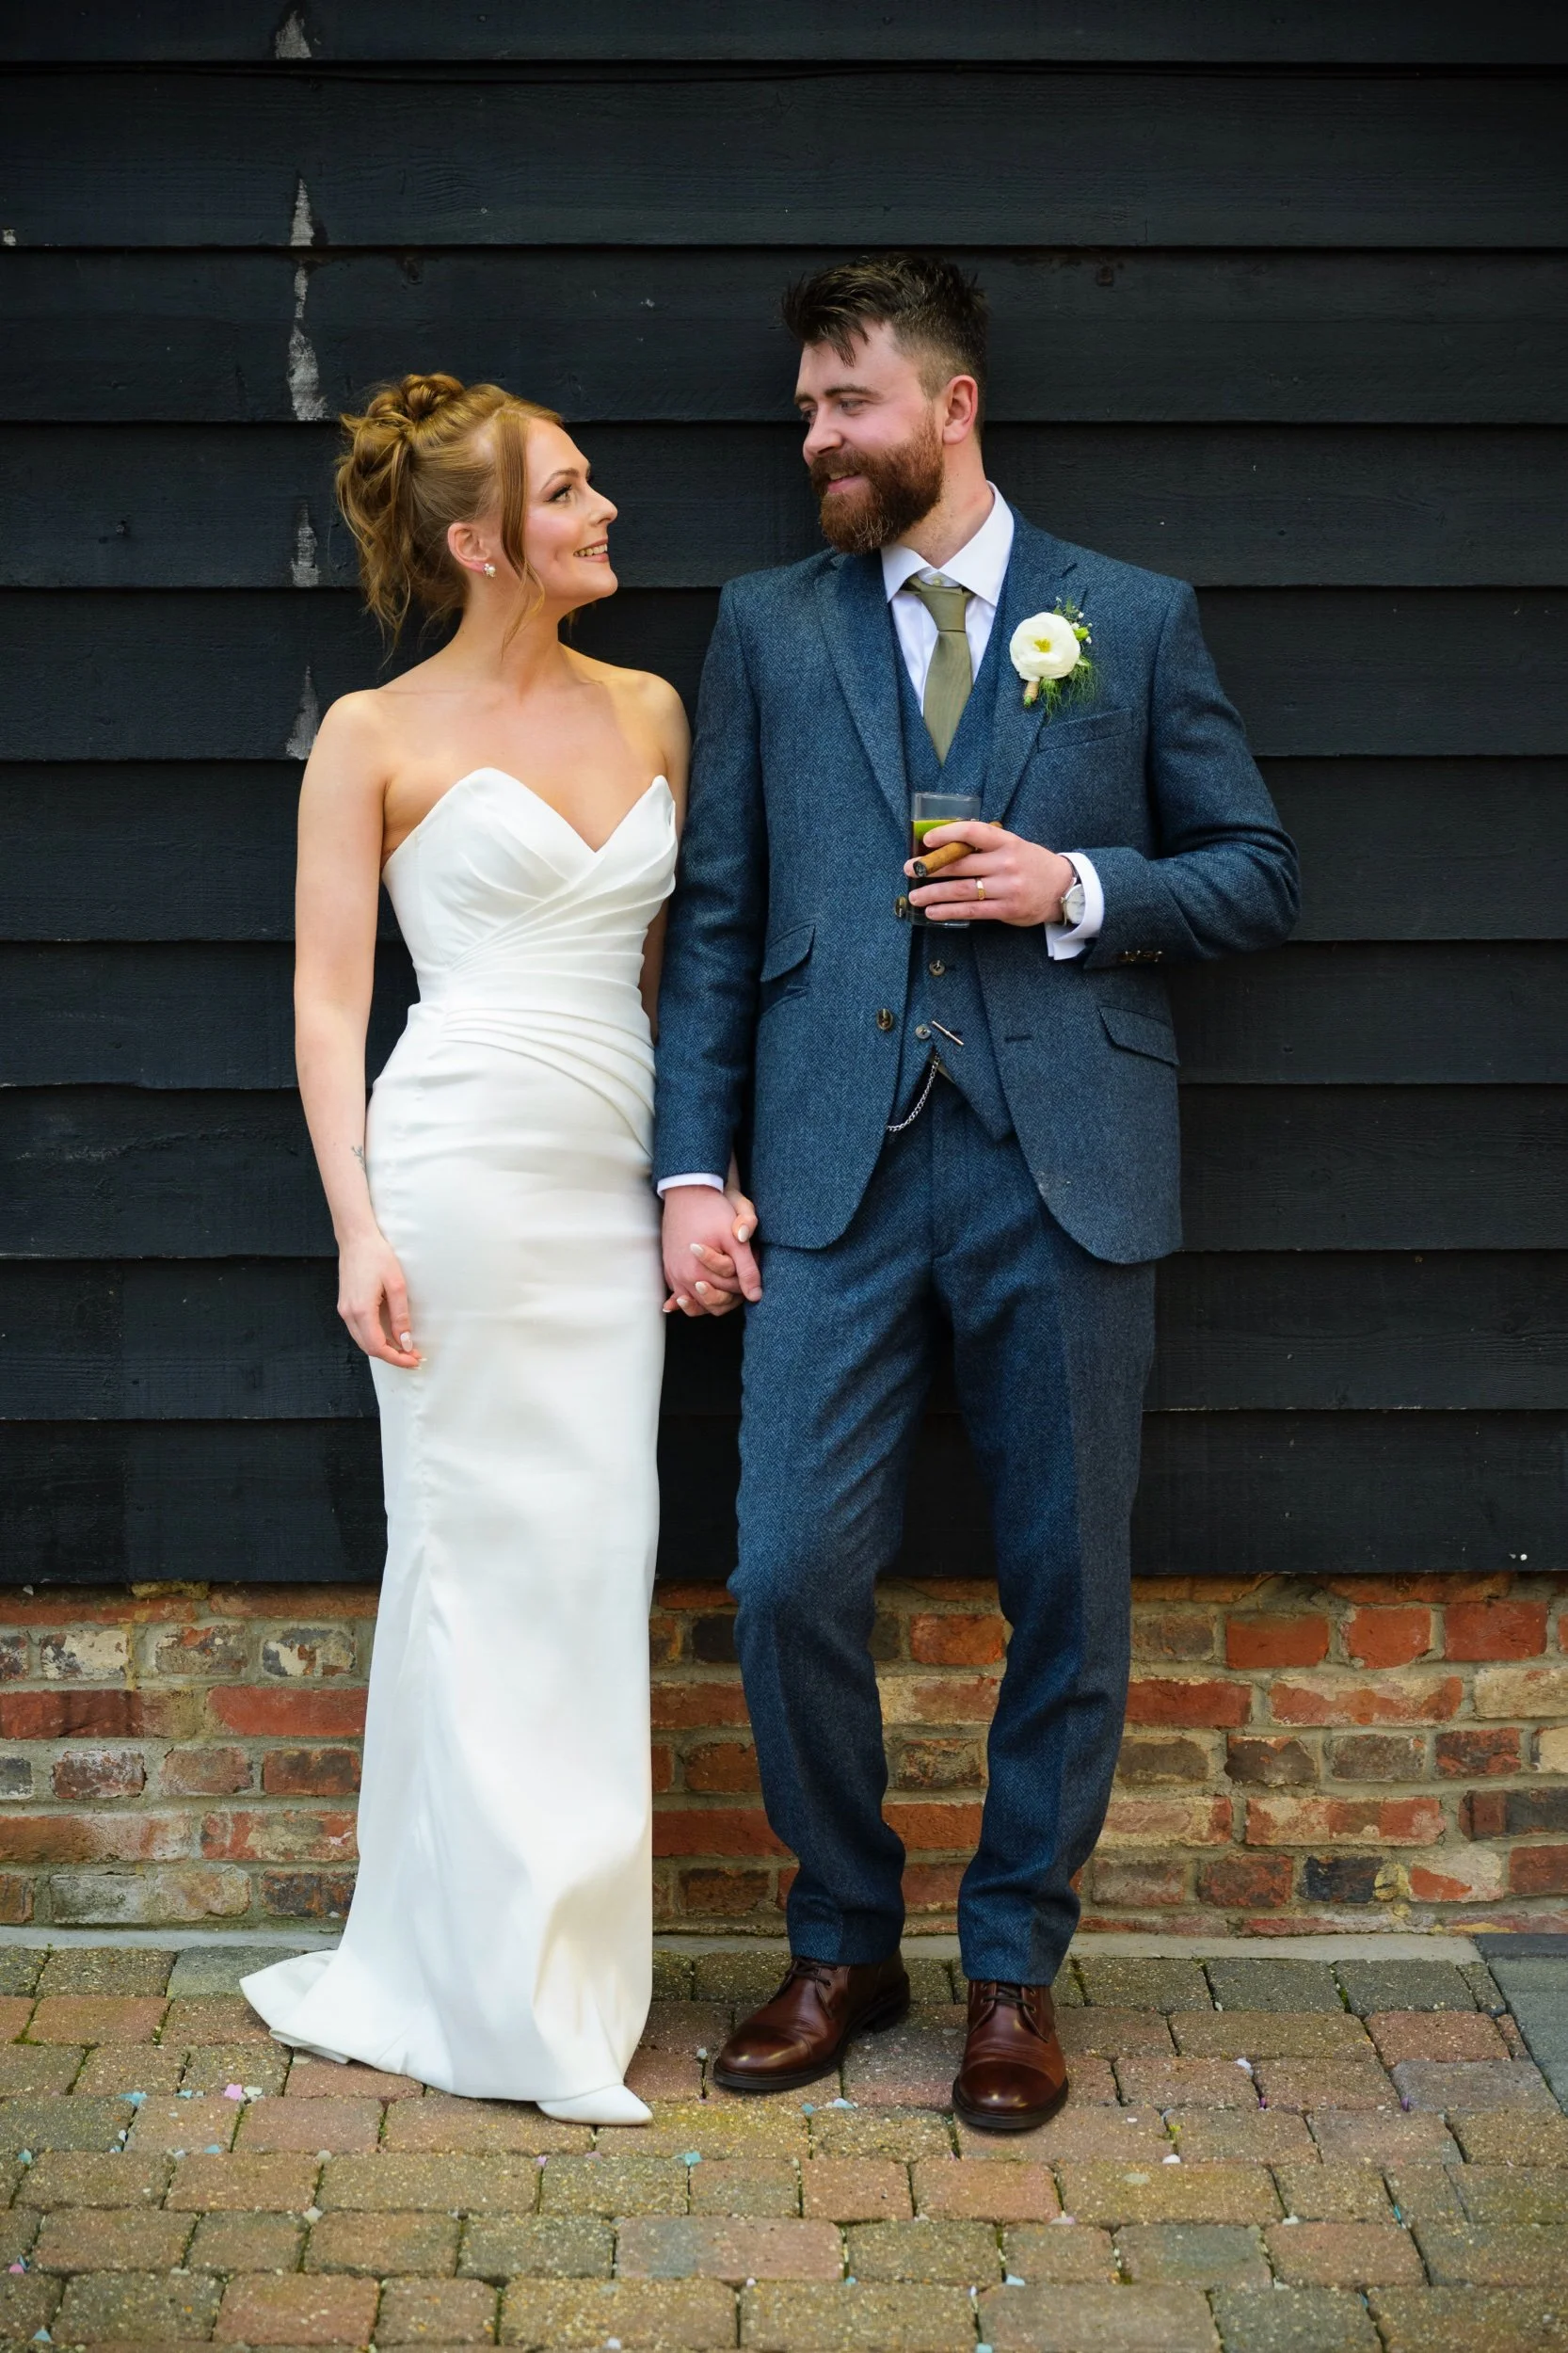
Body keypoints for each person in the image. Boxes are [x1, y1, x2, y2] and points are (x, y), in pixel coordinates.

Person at [654, 255, 1299, 2130]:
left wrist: (1076, 891)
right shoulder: (769, 627)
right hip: (826, 1178)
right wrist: (692, 1168)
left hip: (1063, 1171)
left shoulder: (1126, 615)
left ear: (947, 406)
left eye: (840, 402)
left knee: (1062, 1590)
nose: (810, 438)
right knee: (784, 1568)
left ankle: (1010, 1964)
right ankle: (842, 1936)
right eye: (798, 407)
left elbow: (1252, 872)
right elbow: (716, 923)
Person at [241, 373, 753, 2121]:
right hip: (453, 1173)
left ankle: (574, 1980)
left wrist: (706, 1176)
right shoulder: (373, 736)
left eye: (593, 481)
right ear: (477, 542)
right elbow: (326, 1003)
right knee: (462, 1564)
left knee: (595, 1552)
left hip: (609, 1186)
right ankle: (468, 1983)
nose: (606, 510)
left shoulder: (655, 710)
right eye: (568, 492)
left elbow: (682, 986)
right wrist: (355, 1225)